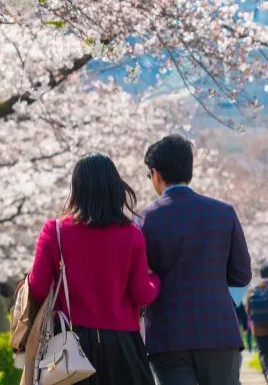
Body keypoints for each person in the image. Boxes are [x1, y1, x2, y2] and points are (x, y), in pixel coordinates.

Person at [27, 153, 160, 385]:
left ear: (75, 188)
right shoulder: (131, 234)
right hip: (122, 345)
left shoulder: (55, 231)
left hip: (69, 345)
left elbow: (37, 288)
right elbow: (141, 294)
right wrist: (155, 280)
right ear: (115, 188)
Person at [135, 134, 252, 385]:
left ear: (155, 174)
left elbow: (139, 280)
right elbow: (242, 275)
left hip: (168, 335)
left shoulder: (145, 220)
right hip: (219, 330)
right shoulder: (223, 213)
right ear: (190, 169)